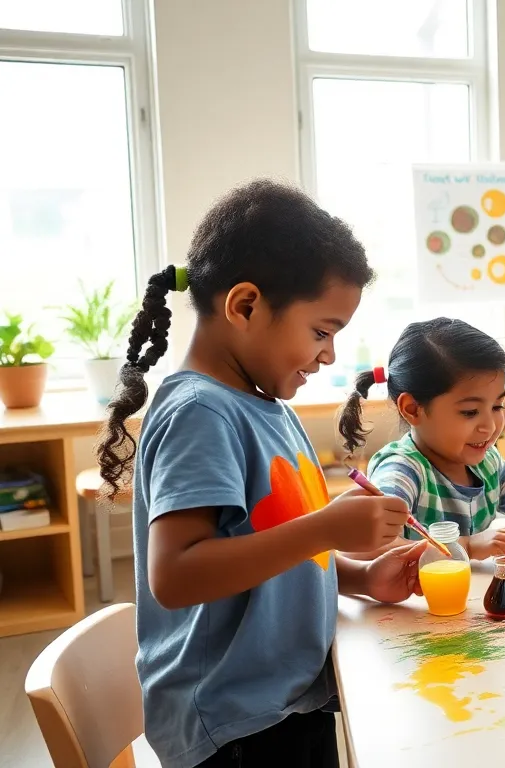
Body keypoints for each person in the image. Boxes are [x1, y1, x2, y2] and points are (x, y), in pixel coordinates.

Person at [95, 180, 422, 767]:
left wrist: (359, 575)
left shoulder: (266, 406)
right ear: (245, 306)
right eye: (321, 331)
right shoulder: (202, 412)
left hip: (283, 704)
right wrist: (326, 529)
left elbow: (274, 551)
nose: (327, 355)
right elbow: (176, 574)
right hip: (235, 728)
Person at [338, 318, 505, 561]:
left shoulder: (487, 464)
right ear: (412, 409)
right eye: (470, 412)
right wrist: (466, 546)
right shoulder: (402, 471)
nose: (489, 426)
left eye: (498, 406)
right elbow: (363, 549)